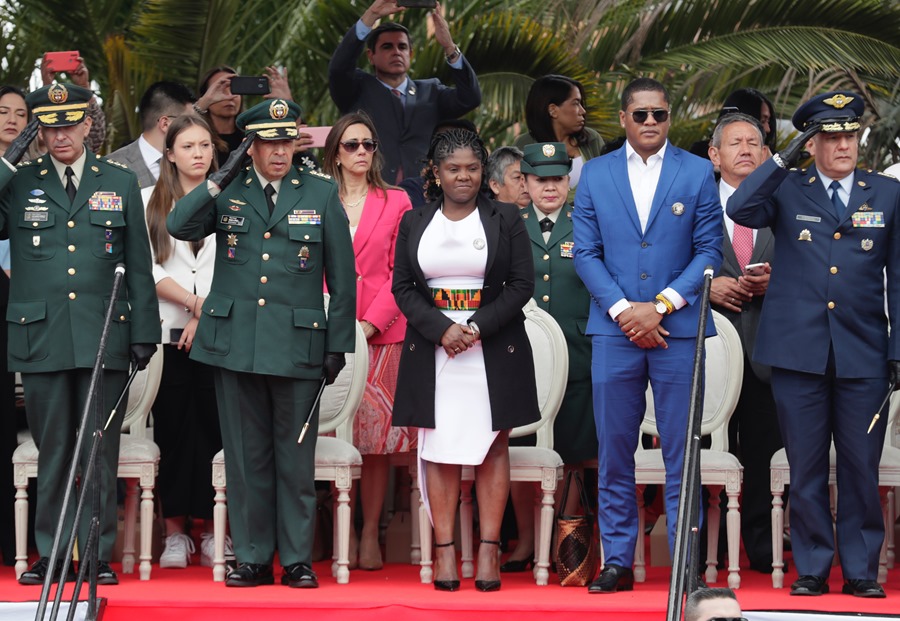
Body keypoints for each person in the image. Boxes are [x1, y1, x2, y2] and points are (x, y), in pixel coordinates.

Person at [167, 98, 356, 589]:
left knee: (294, 459)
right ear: (250, 144)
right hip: (237, 344)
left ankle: (295, 559)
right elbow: (178, 226)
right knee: (246, 458)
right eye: (268, 141)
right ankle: (250, 556)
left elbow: (342, 276)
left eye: (286, 139)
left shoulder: (319, 192)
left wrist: (337, 345)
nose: (279, 150)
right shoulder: (228, 191)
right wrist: (218, 175)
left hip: (297, 345)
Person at [728, 91, 900, 598]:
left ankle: (862, 569)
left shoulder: (886, 193)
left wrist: (897, 350)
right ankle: (811, 567)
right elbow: (740, 205)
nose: (844, 144)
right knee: (804, 465)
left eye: (850, 134)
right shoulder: (787, 188)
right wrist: (781, 157)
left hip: (864, 351)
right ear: (813, 142)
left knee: (858, 465)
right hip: (797, 352)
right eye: (832, 136)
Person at [0, 83, 160, 585]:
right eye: (49, 125)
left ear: (88, 124)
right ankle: (50, 551)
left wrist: (145, 331)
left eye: (69, 123)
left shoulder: (117, 180)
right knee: (53, 450)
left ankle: (94, 552)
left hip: (102, 334)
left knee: (98, 446)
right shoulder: (20, 182)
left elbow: (139, 262)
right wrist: (8, 156)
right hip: (42, 335)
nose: (60, 134)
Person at [573, 77, 722, 593]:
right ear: (624, 119)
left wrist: (658, 307)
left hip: (676, 331)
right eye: (641, 115)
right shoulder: (594, 174)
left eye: (659, 114)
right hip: (614, 333)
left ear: (669, 117)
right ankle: (617, 560)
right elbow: (585, 253)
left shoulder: (699, 171)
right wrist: (624, 312)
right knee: (615, 450)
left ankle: (685, 563)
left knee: (683, 452)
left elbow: (709, 252)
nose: (651, 122)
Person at [392, 129, 538, 592]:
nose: (463, 177)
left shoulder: (507, 218)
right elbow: (403, 288)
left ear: (483, 173)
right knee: (439, 448)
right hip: (434, 349)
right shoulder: (414, 221)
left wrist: (475, 327)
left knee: (492, 445)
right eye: (453, 168)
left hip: (490, 347)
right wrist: (443, 329)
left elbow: (520, 286)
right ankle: (446, 553)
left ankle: (490, 551)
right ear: (435, 172)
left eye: (472, 168)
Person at [322, 112, 413, 570]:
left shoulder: (396, 201)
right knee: (332, 433)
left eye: (368, 145)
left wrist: (370, 325)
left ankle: (369, 534)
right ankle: (334, 533)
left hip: (382, 337)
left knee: (375, 444)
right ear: (335, 153)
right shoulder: (316, 198)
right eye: (351, 145)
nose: (361, 152)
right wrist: (331, 322)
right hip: (327, 335)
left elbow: (403, 273)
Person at [502, 142, 594, 572]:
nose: (551, 187)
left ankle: (567, 541)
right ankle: (525, 540)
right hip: (521, 353)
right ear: (526, 182)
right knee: (520, 446)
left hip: (578, 353)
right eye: (541, 179)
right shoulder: (508, 223)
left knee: (576, 449)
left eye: (558, 178)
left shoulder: (586, 224)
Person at [142, 114, 227, 569]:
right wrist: (195, 306)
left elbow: (238, 268)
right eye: (188, 146)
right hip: (163, 336)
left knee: (217, 432)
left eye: (205, 146)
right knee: (173, 433)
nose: (198, 154)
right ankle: (175, 533)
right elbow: (147, 268)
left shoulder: (230, 201)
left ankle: (216, 530)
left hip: (220, 335)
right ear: (169, 153)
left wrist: (206, 313)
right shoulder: (145, 202)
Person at [707, 112, 781, 573]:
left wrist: (780, 281)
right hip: (709, 344)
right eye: (735, 143)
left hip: (768, 347)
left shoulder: (786, 205)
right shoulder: (694, 205)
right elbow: (669, 265)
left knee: (761, 447)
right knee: (702, 447)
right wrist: (706, 288)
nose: (746, 150)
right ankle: (700, 548)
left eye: (754, 143)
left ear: (768, 156)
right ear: (715, 156)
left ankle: (759, 545)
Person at [328, 0, 482, 184]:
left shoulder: (431, 91)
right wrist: (371, 15)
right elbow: (338, 69)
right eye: (387, 47)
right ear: (371, 56)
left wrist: (449, 47)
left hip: (421, 196)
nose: (396, 52)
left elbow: (470, 98)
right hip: (372, 190)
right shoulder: (357, 88)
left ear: (411, 54)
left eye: (402, 47)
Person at [514, 75, 605, 190]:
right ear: (553, 110)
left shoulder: (591, 139)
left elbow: (607, 184)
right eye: (576, 103)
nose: (583, 111)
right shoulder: (525, 144)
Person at [109, 81, 196, 189]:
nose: (195, 127)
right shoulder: (111, 167)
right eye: (189, 121)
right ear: (165, 124)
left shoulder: (195, 161)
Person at [39, 55, 107, 154]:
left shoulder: (84, 145)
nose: (61, 137)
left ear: (86, 126)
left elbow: (97, 134)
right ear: (41, 132)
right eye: (53, 129)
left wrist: (84, 88)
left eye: (69, 127)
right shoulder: (32, 157)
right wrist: (47, 88)